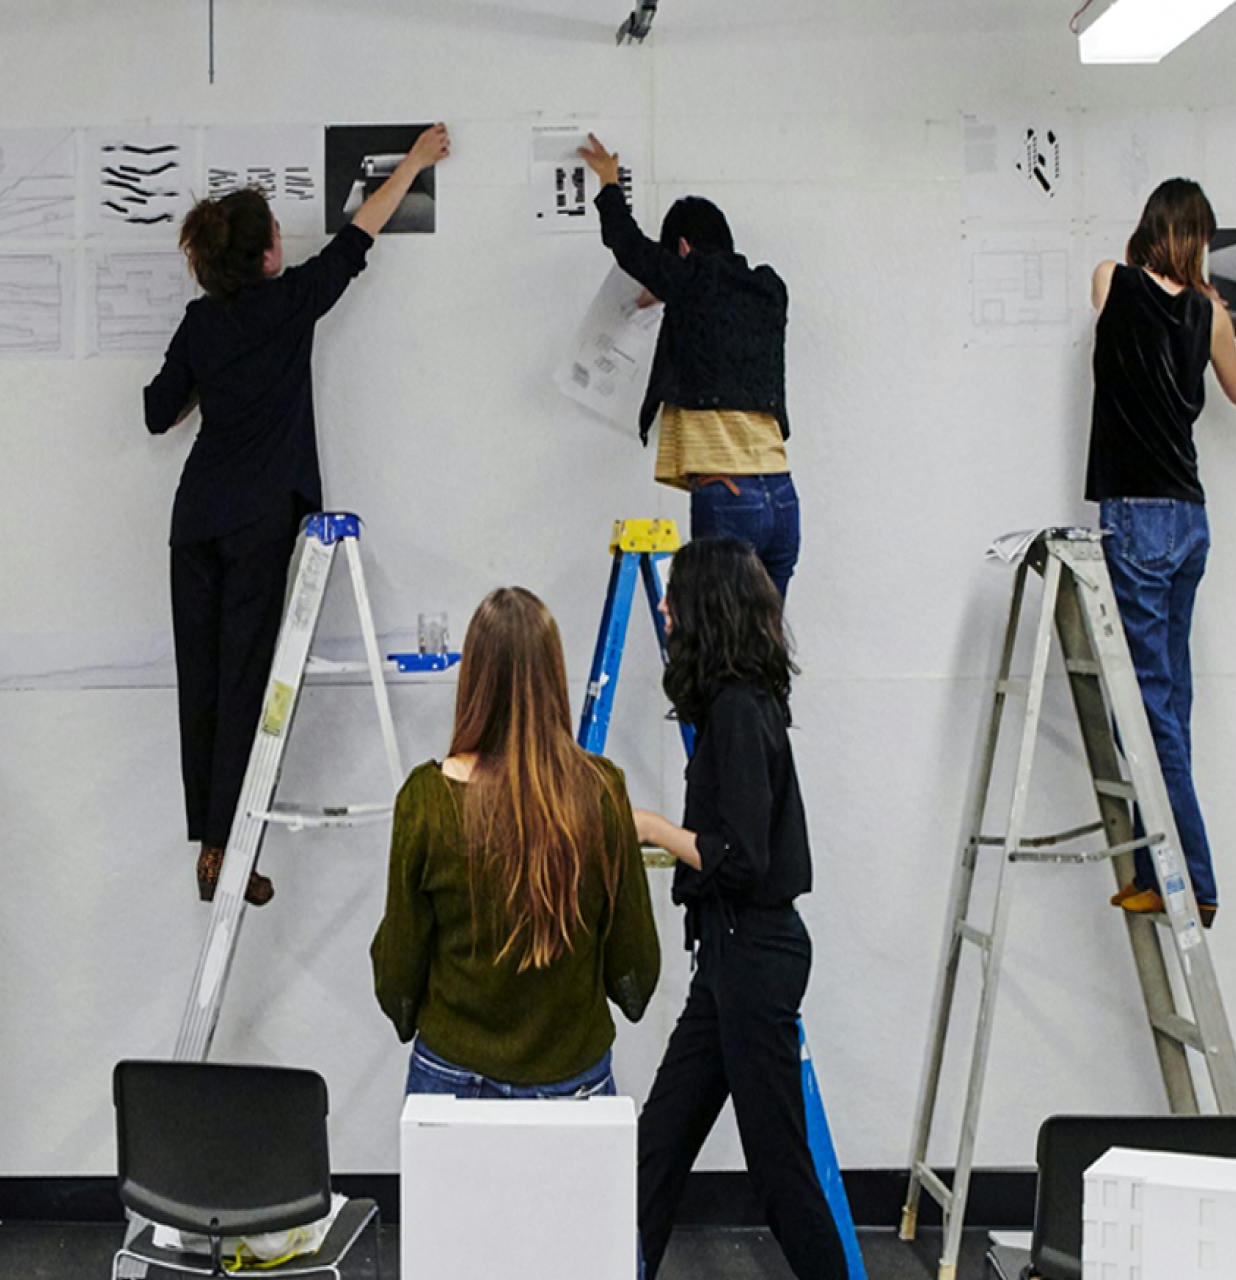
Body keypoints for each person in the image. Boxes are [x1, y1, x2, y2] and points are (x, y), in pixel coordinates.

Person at [144, 124, 453, 907]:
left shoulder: (200, 323)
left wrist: (203, 389)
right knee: (245, 689)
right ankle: (227, 850)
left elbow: (155, 413)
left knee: (202, 687)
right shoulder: (288, 305)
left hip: (194, 522)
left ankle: (213, 847)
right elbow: (359, 236)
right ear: (268, 256)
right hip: (255, 522)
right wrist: (414, 163)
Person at [1089, 177, 1236, 920]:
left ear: (1150, 225)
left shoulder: (1111, 280)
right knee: (1170, 701)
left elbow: (1120, 302)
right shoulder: (1210, 315)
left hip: (1137, 517)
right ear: (1196, 238)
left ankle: (1192, 880)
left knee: (1151, 705)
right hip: (1190, 520)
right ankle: (1151, 867)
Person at [629, 539, 848, 1280]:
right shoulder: (741, 705)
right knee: (655, 1149)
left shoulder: (737, 709)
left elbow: (744, 856)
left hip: (753, 956)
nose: (665, 606)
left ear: (705, 607)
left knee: (780, 1172)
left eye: (675, 596)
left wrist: (655, 828)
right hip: (728, 957)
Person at [370, 587, 660, 1099]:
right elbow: (635, 964)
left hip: (452, 1075)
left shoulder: (426, 799)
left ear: (473, 680)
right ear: (554, 676)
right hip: (574, 1079)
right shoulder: (601, 793)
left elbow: (398, 967)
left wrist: (407, 1013)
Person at [578, 134, 799, 602]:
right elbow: (717, 311)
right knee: (765, 648)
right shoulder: (768, 289)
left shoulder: (695, 280)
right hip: (781, 496)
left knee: (720, 649)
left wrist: (609, 182)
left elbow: (628, 244)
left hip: (729, 497)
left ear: (681, 248)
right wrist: (672, 293)